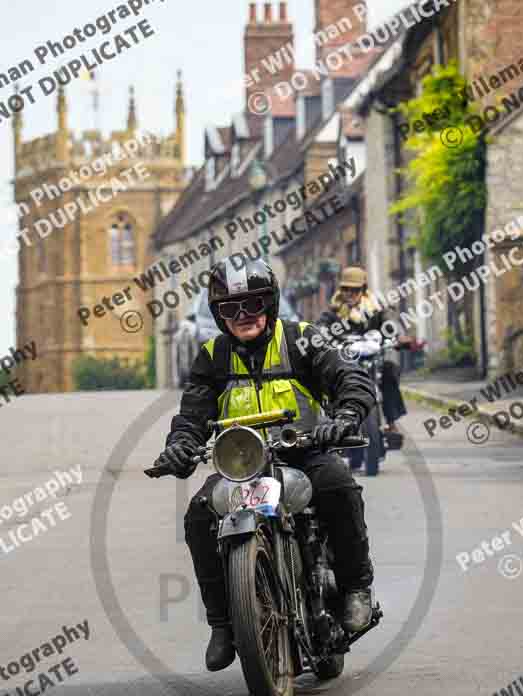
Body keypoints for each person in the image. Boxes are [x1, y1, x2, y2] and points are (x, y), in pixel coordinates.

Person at [154, 257, 377, 672]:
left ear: (270, 303)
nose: (242, 317)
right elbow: (193, 414)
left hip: (305, 453)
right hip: (243, 465)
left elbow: (350, 377)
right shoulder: (212, 355)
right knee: (199, 516)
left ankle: (355, 589)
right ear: (218, 314)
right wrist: (181, 446)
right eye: (229, 309)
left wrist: (345, 416)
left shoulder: (302, 338)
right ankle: (223, 623)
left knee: (340, 487)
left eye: (252, 305)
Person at [318, 266, 408, 432]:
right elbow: (321, 326)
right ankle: (332, 422)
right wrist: (319, 338)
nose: (349, 293)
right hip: (346, 359)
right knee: (328, 377)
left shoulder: (376, 308)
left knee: (390, 368)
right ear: (340, 290)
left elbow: (390, 321)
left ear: (363, 289)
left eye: (355, 289)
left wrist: (399, 335)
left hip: (373, 357)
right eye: (345, 289)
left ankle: (391, 421)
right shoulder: (334, 311)